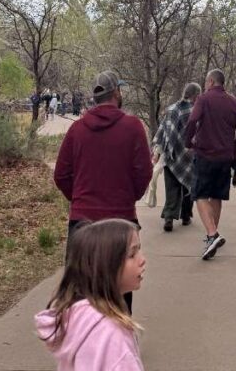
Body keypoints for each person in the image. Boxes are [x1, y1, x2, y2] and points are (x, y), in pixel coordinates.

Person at [54, 71, 153, 311]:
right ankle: (120, 342)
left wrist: (79, 199)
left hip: (82, 223)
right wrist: (130, 197)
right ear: (117, 93)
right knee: (121, 289)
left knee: (81, 292)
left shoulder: (77, 130)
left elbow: (61, 175)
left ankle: (84, 342)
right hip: (121, 219)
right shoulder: (132, 127)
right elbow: (144, 172)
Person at [35, 218, 145, 371]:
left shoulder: (78, 316)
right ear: (106, 266)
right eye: (132, 254)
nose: (142, 260)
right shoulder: (113, 337)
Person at [184, 68, 236, 260]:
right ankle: (212, 237)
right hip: (224, 158)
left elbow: (193, 119)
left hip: (205, 155)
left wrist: (189, 142)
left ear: (211, 81)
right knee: (216, 196)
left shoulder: (203, 99)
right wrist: (233, 150)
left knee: (199, 194)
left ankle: (212, 234)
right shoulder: (234, 102)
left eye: (206, 82)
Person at [152, 82, 200, 232]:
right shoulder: (195, 111)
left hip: (170, 155)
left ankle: (169, 217)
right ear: (195, 96)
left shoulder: (171, 109)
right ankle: (186, 216)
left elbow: (163, 131)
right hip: (189, 155)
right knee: (189, 185)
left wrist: (158, 151)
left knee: (171, 188)